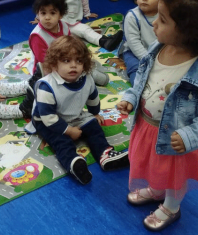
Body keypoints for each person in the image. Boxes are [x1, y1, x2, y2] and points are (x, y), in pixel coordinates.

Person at [116, 0, 198, 232]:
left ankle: (171, 206)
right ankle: (157, 190)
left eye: (163, 19)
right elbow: (142, 81)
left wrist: (192, 134)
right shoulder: (157, 49)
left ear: (190, 32)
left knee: (174, 174)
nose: (154, 23)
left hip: (176, 138)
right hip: (147, 127)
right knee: (155, 166)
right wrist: (131, 98)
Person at [25, 36, 130, 185]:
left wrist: (95, 113)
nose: (73, 65)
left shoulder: (86, 79)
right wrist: (69, 131)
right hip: (47, 121)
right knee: (61, 141)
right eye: (66, 61)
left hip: (74, 115)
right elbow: (48, 117)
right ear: (54, 64)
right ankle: (73, 163)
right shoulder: (46, 86)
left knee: (94, 128)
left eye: (79, 61)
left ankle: (105, 154)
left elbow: (92, 97)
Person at [118, 0, 168, 85]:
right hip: (134, 52)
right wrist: (149, 61)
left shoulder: (164, 14)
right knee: (136, 69)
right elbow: (134, 43)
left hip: (157, 51)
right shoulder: (132, 16)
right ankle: (138, 90)